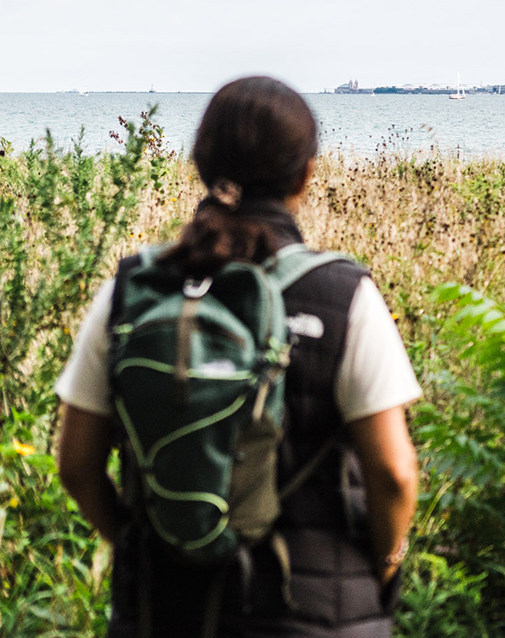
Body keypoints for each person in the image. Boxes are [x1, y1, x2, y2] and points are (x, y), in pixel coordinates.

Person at [55, 76, 422, 636]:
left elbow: (77, 465)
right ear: (306, 174)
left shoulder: (133, 289)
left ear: (200, 162)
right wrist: (385, 566)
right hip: (315, 613)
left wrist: (142, 550)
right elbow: (394, 474)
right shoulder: (343, 296)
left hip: (162, 611)